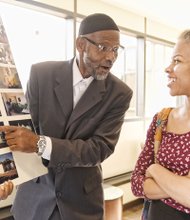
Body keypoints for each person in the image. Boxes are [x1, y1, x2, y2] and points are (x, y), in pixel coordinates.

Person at [0, 13, 133, 220]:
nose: (110, 57)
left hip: (81, 204)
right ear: (81, 44)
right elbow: (23, 130)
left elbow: (98, 149)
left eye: (115, 50)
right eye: (103, 47)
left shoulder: (120, 93)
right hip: (34, 196)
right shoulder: (41, 74)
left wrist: (39, 144)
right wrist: (4, 177)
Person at [131, 29, 190, 220]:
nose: (168, 68)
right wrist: (180, 185)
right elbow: (136, 184)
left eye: (177, 61)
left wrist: (155, 170)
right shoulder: (161, 119)